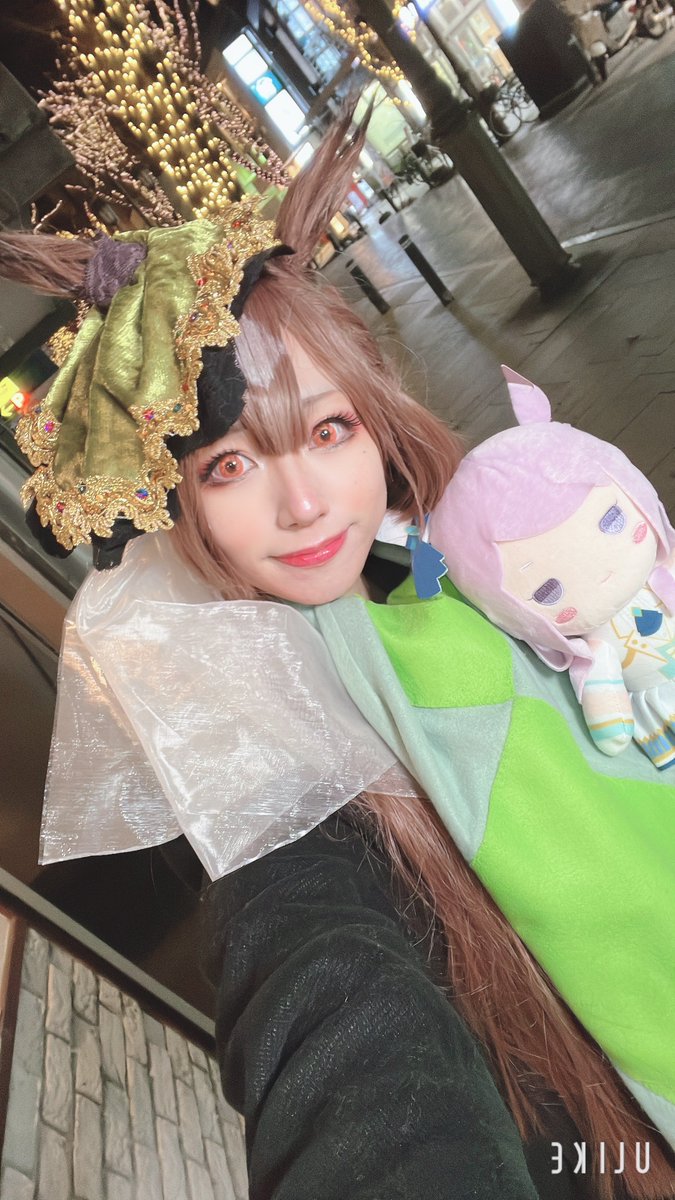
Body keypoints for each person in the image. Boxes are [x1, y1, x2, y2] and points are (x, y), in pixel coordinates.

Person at [0, 113, 673, 1200]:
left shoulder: (467, 557)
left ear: (374, 420)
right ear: (178, 506)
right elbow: (318, 974)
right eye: (228, 467)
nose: (306, 503)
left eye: (327, 432)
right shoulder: (265, 743)